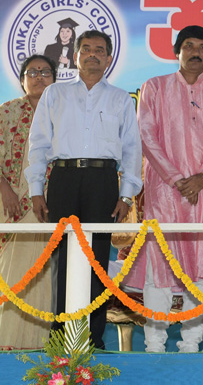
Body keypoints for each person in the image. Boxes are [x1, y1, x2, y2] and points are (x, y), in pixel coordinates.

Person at [123, 25, 203, 353]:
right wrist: (176, 179)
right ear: (176, 51)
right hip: (164, 191)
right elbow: (146, 134)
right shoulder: (154, 88)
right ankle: (154, 345)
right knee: (161, 263)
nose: (195, 52)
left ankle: (192, 343)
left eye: (202, 47)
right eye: (188, 45)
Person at [27, 30, 142, 349]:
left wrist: (126, 194)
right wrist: (37, 188)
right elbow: (38, 143)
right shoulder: (55, 95)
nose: (93, 55)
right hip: (63, 180)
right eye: (86, 49)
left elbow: (132, 149)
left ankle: (93, 338)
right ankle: (60, 337)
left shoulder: (121, 98)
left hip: (103, 182)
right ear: (75, 56)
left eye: (99, 50)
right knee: (63, 260)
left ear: (108, 58)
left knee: (97, 262)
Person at [0, 55, 57, 349]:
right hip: (8, 206)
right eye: (32, 72)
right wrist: (5, 190)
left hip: (45, 208)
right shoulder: (6, 111)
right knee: (8, 273)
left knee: (38, 276)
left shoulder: (61, 114)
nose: (39, 77)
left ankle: (32, 346)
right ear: (22, 79)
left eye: (46, 72)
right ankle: (5, 342)